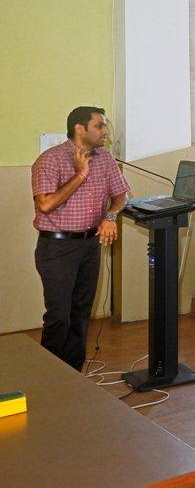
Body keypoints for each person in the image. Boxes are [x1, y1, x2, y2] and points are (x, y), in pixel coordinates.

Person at [31, 106, 129, 370]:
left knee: (80, 313)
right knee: (59, 316)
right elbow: (46, 205)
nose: (105, 132)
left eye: (104, 126)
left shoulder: (106, 159)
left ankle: (73, 375)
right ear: (79, 128)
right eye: (99, 126)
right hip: (57, 247)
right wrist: (80, 174)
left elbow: (122, 196)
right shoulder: (50, 160)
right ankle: (52, 376)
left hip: (89, 245)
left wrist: (110, 216)